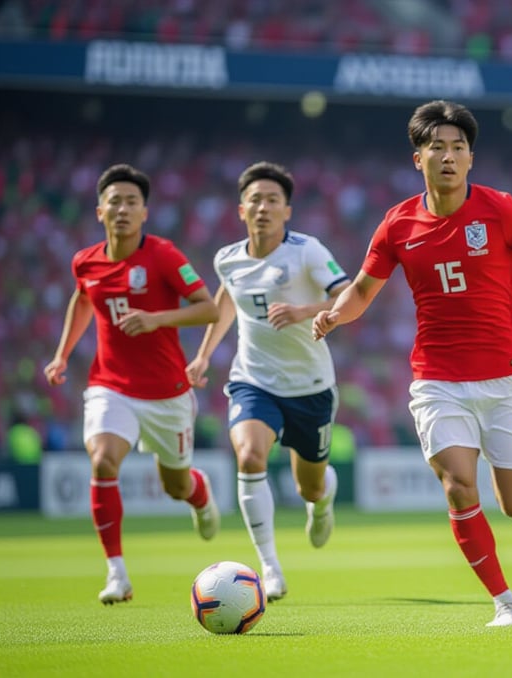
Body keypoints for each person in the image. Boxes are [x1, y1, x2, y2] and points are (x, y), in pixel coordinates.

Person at [312, 100, 512, 627]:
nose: (448, 156)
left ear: (470, 158)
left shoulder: (501, 209)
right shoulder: (397, 224)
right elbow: (362, 291)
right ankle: (504, 602)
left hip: (506, 377)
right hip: (437, 381)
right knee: (458, 485)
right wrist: (334, 315)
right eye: (436, 147)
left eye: (458, 147)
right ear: (418, 158)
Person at [43, 163, 222, 605]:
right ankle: (117, 574)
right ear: (99, 210)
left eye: (131, 202)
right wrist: (62, 354)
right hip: (111, 385)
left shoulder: (164, 256)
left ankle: (199, 493)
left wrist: (157, 319)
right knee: (103, 460)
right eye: (115, 201)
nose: (122, 209)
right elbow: (82, 299)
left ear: (145, 212)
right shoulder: (85, 261)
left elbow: (209, 309)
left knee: (175, 486)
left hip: (167, 393)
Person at [185, 162, 351, 601]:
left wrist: (303, 312)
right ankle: (270, 568)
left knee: (308, 486)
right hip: (253, 380)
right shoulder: (228, 259)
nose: (263, 207)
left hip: (310, 385)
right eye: (255, 200)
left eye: (272, 200)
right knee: (249, 455)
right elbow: (226, 300)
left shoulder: (307, 251)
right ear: (242, 210)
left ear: (287, 210)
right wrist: (203, 354)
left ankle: (323, 500)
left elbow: (347, 293)